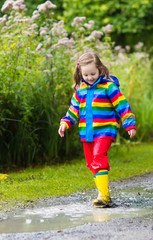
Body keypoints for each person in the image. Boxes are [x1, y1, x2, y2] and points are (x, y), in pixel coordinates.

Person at [58, 52, 136, 208]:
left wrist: (129, 123)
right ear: (80, 73)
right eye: (86, 75)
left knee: (98, 156)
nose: (89, 77)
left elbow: (122, 106)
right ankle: (104, 193)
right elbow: (73, 110)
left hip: (105, 131)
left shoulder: (109, 87)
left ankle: (104, 196)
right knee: (91, 162)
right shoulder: (80, 90)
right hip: (87, 133)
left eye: (93, 73)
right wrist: (65, 123)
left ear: (100, 69)